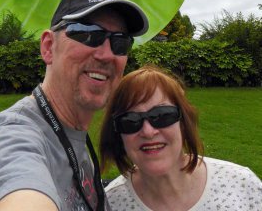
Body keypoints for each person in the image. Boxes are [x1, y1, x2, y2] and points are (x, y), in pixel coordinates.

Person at [0, 0, 149, 211]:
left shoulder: (72, 135)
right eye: (88, 34)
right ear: (48, 47)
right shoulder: (10, 136)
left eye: (120, 42)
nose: (106, 55)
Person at [99, 65, 262, 210]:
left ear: (183, 123)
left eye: (162, 115)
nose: (148, 131)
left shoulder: (241, 185)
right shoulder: (109, 204)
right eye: (130, 121)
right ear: (117, 134)